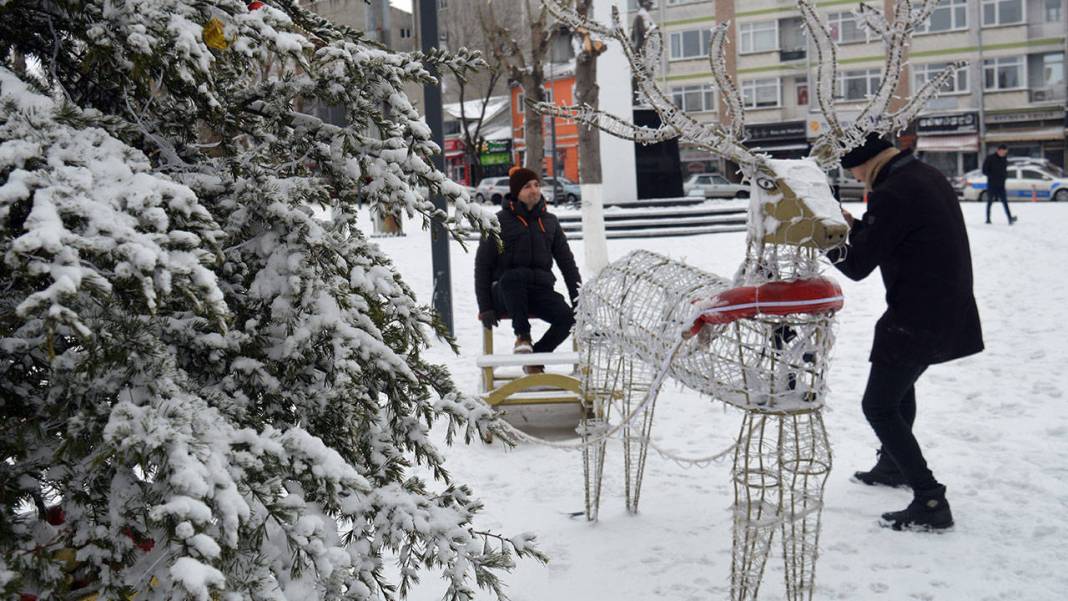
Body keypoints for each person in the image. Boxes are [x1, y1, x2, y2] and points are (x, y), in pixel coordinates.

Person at [829, 133, 984, 531]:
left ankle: (930, 498)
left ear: (868, 163)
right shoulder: (924, 175)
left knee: (878, 406)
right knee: (899, 389)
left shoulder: (892, 191)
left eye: (855, 170)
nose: (858, 178)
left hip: (918, 314)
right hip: (944, 304)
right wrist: (861, 226)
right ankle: (892, 466)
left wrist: (823, 238)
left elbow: (857, 265)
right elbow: (901, 233)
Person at [475, 166, 581, 373]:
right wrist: (485, 306)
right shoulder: (497, 222)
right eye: (527, 187)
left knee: (568, 318)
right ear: (516, 192)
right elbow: (483, 266)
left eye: (536, 185)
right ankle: (522, 336)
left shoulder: (550, 222)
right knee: (513, 278)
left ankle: (535, 358)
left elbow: (567, 264)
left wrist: (579, 305)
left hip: (538, 291)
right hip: (505, 293)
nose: (534, 190)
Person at [981, 144, 1017, 225]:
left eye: (1005, 152)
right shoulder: (990, 158)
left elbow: (1004, 170)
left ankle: (1010, 218)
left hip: (1001, 185)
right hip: (992, 184)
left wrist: (1004, 177)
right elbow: (984, 170)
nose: (1004, 153)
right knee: (990, 201)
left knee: (1005, 202)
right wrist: (992, 176)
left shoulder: (1004, 159)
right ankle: (988, 219)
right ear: (999, 150)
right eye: (1003, 152)